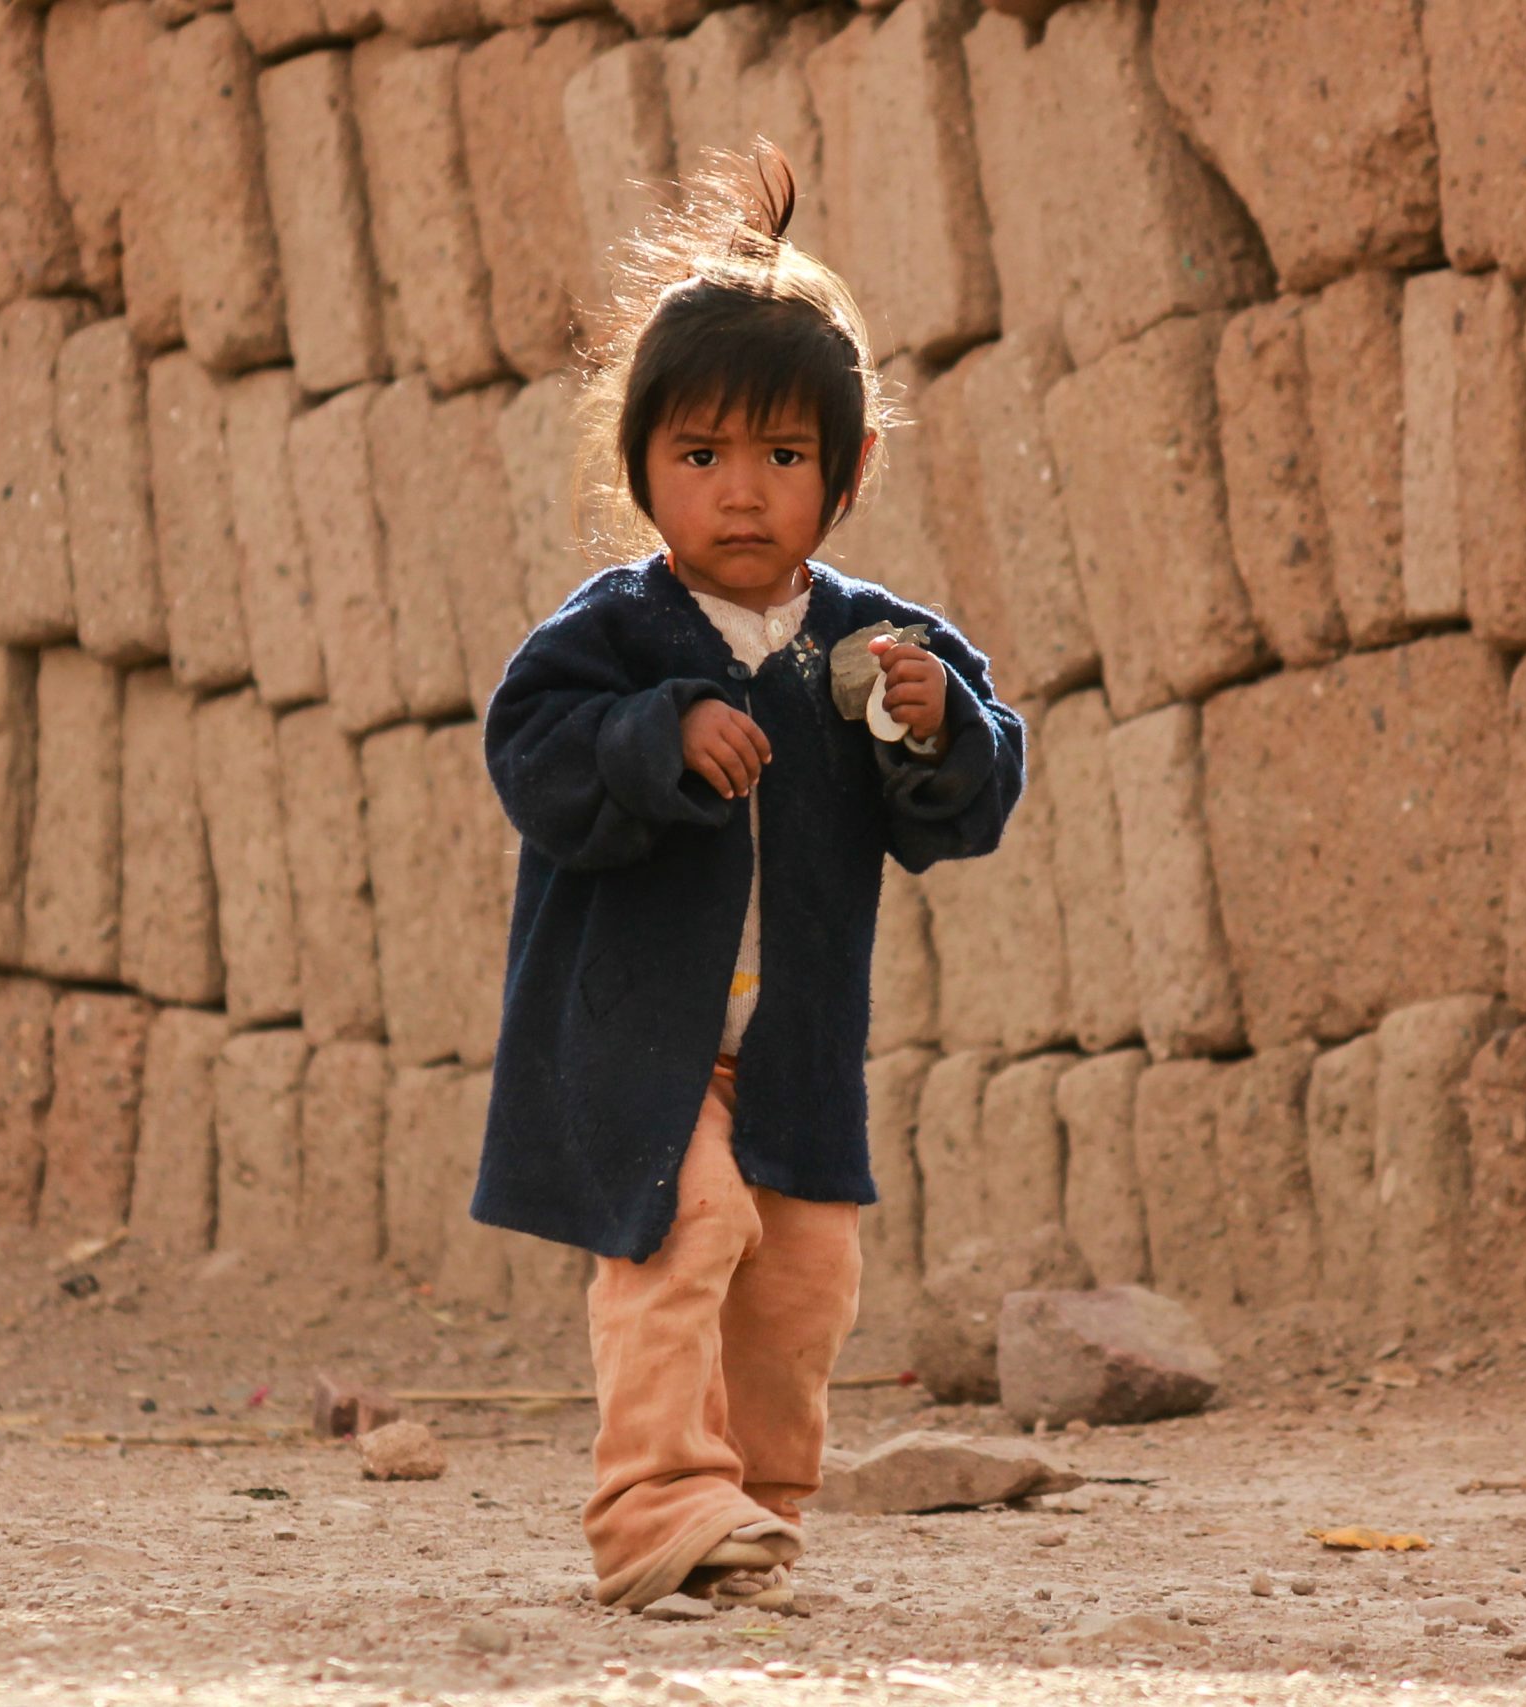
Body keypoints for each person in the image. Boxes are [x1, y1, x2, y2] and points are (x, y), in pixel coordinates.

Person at [474, 145, 1026, 1612]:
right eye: (703, 457)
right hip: (637, 1043)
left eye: (785, 460)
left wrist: (933, 726)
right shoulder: (607, 640)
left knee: (797, 1289)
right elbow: (532, 758)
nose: (740, 494)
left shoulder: (875, 640)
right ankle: (654, 1505)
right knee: (687, 1234)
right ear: (641, 465)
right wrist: (657, 736)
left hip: (790, 1053)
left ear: (844, 478)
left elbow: (970, 805)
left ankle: (751, 1517)